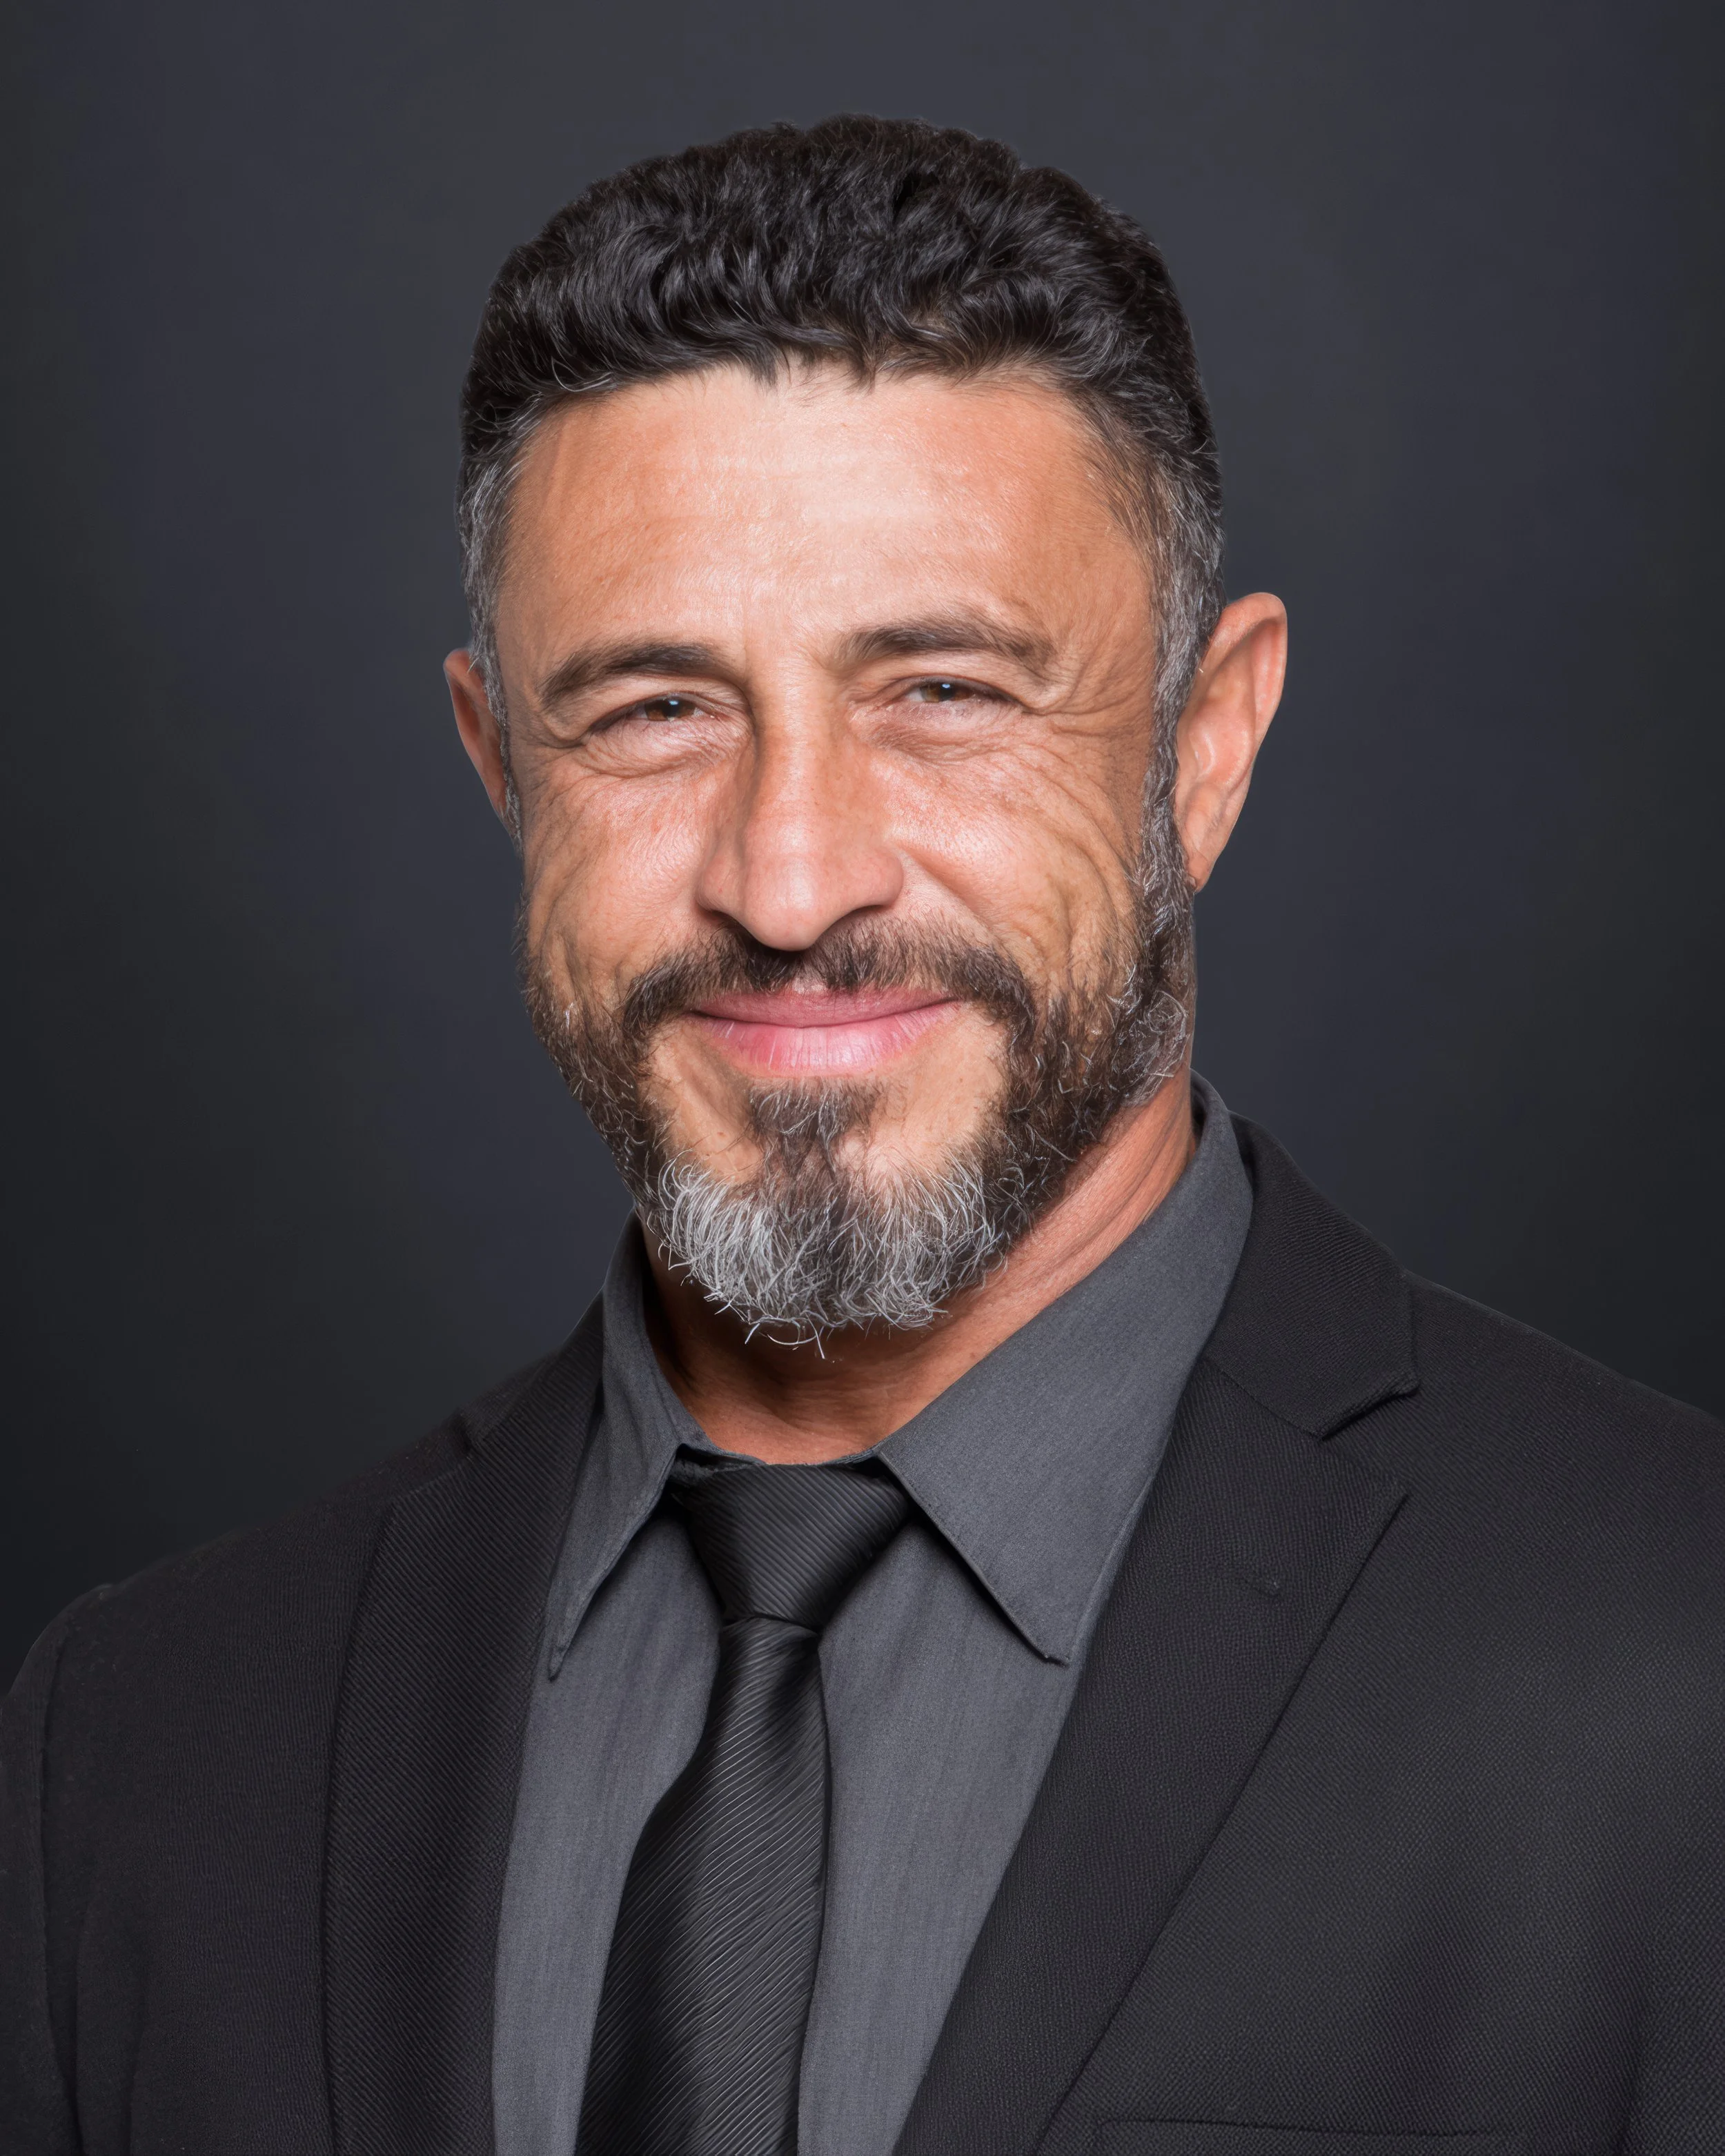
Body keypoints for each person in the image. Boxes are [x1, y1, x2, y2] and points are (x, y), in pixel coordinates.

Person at [3, 114, 1720, 2156]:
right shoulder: (128, 1744)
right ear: (499, 767)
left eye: (944, 692)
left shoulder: (1674, 1660)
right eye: (654, 710)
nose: (792, 878)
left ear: (1204, 749)